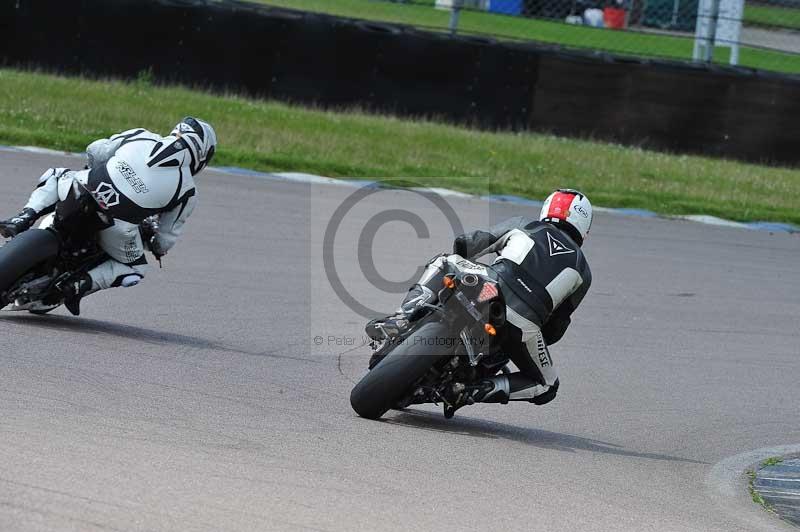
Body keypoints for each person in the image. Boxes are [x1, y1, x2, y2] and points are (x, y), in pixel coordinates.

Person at [366, 189, 593, 413]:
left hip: (486, 287)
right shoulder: (583, 272)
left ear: (547, 209)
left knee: (445, 260)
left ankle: (403, 317)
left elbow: (467, 244)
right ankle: (470, 390)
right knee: (547, 386)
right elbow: (554, 331)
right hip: (521, 322)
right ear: (584, 226)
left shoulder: (524, 224)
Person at [0, 117, 217, 315]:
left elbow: (95, 150)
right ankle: (80, 284)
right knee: (136, 268)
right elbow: (165, 240)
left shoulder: (141, 135)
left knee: (57, 175)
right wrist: (154, 244)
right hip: (117, 227)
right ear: (202, 156)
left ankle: (25, 216)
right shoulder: (187, 190)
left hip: (81, 189)